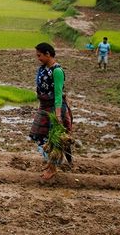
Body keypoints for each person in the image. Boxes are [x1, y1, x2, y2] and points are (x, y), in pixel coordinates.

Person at [29, 42, 73, 180]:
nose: (38, 58)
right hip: (44, 106)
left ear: (48, 54)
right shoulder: (42, 68)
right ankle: (50, 164)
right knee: (39, 136)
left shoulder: (57, 71)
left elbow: (58, 94)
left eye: (39, 55)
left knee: (53, 139)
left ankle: (53, 168)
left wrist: (58, 115)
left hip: (54, 108)